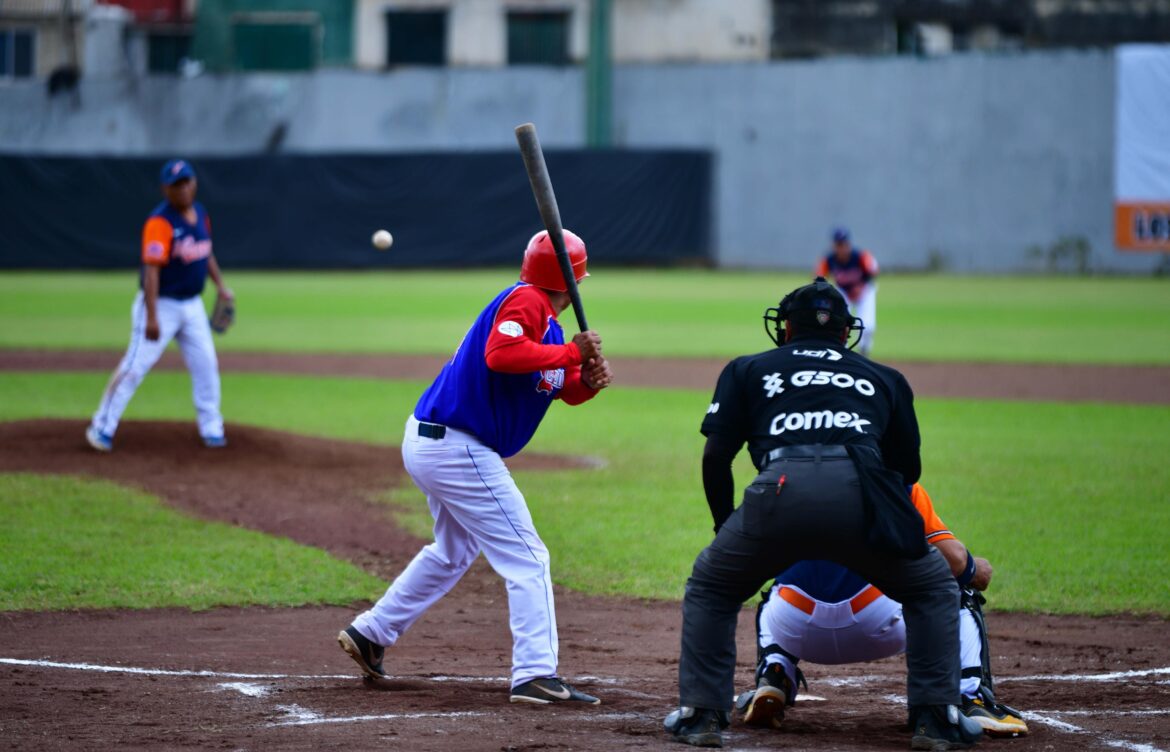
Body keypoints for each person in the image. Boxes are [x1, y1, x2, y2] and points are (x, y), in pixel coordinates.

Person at [664, 277, 982, 749]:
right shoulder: (885, 377)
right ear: (846, 333)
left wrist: (725, 527)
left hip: (777, 488)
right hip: (861, 489)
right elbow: (906, 469)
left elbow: (716, 457)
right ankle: (937, 717)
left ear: (785, 329)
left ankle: (702, 716)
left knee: (713, 585)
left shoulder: (748, 368)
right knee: (933, 587)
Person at [337, 229, 613, 705]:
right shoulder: (526, 301)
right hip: (457, 447)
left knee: (453, 551)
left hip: (441, 443)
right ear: (570, 280)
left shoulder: (546, 322)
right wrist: (573, 353)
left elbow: (557, 387)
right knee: (529, 557)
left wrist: (585, 380)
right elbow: (502, 356)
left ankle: (371, 633)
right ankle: (534, 674)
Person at [735, 482, 1029, 739]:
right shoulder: (895, 480)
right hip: (878, 622)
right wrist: (976, 568)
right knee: (958, 586)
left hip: (793, 626)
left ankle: (774, 674)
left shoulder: (779, 484)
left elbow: (743, 564)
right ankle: (972, 698)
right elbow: (953, 561)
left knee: (775, 592)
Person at [86, 159, 232, 452]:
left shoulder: (201, 214)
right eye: (177, 185)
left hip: (192, 305)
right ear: (166, 189)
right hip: (160, 304)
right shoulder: (160, 222)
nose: (184, 189)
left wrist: (221, 286)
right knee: (135, 366)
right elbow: (151, 270)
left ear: (195, 184)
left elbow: (206, 253)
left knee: (206, 365)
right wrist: (152, 316)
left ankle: (211, 427)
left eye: (187, 182)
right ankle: (102, 426)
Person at [816, 226, 878, 357]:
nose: (841, 247)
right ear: (834, 245)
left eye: (843, 244)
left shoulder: (861, 256)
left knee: (867, 326)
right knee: (841, 323)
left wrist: (860, 287)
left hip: (865, 292)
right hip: (844, 292)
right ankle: (842, 353)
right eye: (838, 244)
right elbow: (818, 278)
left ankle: (864, 352)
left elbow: (872, 273)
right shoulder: (828, 260)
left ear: (848, 244)